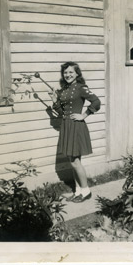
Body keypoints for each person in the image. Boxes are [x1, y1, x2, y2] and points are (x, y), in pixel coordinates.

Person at [49, 62, 101, 203]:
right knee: (73, 161)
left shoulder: (81, 88)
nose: (68, 75)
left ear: (77, 73)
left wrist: (84, 115)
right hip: (66, 127)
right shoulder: (64, 90)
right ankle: (78, 191)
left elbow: (96, 102)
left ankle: (86, 191)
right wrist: (55, 101)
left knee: (75, 162)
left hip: (76, 126)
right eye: (65, 72)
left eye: (71, 72)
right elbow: (61, 112)